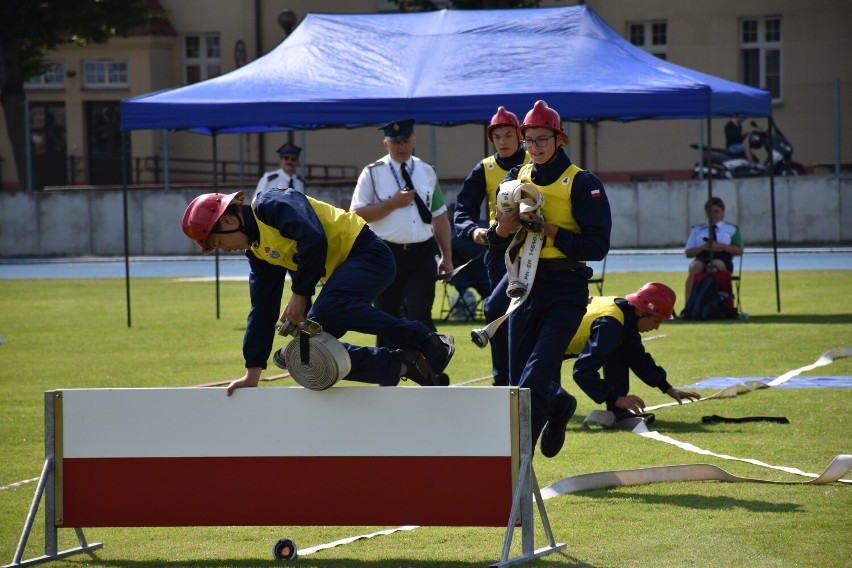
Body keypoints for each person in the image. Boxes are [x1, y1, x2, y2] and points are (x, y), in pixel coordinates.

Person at [181, 189, 455, 395]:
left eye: (218, 242)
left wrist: (300, 294)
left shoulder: (272, 204)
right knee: (304, 353)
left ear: (229, 220)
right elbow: (262, 309)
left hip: (369, 254)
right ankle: (401, 364)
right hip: (342, 274)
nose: (224, 249)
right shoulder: (257, 252)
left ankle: (427, 340)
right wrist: (253, 371)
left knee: (328, 309)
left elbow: (313, 238)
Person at [490, 100, 611, 458]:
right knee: (518, 383)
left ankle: (515, 471)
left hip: (566, 288)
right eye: (530, 140)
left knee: (535, 375)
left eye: (543, 139)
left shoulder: (582, 182)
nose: (536, 147)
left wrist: (550, 229)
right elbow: (498, 243)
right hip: (524, 287)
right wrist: (502, 227)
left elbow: (597, 246)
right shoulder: (515, 180)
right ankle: (559, 406)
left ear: (560, 140)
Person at [350, 118, 453, 349]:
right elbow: (356, 214)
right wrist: (392, 204)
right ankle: (387, 379)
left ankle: (432, 375)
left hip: (422, 254)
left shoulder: (427, 170)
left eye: (406, 141)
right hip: (385, 254)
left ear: (413, 140)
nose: (402, 146)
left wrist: (446, 256)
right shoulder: (372, 172)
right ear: (386, 144)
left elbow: (438, 216)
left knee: (421, 315)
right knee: (386, 318)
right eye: (396, 142)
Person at [454, 106, 529, 386]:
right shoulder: (484, 168)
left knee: (520, 314)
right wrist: (473, 231)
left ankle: (531, 381)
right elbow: (462, 212)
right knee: (498, 313)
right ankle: (503, 381)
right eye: (497, 136)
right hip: (498, 252)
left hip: (535, 250)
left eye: (509, 135)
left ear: (520, 136)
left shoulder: (537, 163)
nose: (503, 141)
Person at [566, 282, 702, 427]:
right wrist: (616, 398)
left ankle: (618, 414)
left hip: (553, 338)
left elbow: (637, 357)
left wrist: (667, 387)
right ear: (641, 312)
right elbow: (583, 371)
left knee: (619, 350)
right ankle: (617, 410)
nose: (656, 328)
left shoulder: (625, 314)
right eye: (656, 321)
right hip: (543, 344)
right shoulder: (610, 326)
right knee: (550, 404)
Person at [683, 196, 743, 306]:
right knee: (695, 267)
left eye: (716, 211)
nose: (713, 214)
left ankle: (718, 304)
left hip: (722, 257)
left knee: (713, 266)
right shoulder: (698, 230)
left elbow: (739, 250)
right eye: (710, 211)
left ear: (722, 212)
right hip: (702, 256)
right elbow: (688, 252)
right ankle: (689, 306)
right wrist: (703, 247)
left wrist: (720, 245)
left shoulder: (731, 229)